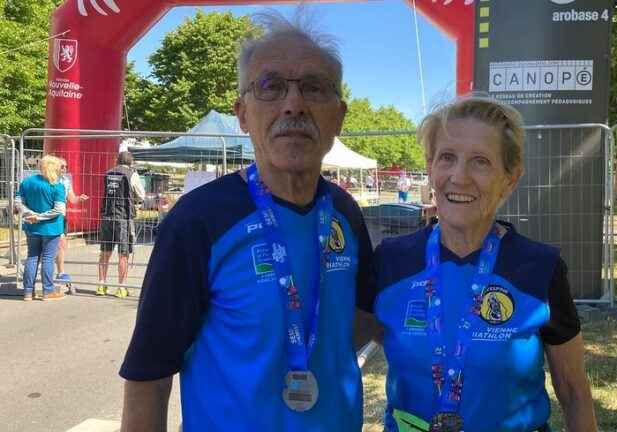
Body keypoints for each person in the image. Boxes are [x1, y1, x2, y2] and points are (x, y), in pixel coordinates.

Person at [119, 11, 376, 432]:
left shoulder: (345, 212)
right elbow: (150, 372)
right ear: (242, 114)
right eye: (271, 87)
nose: (293, 104)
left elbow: (362, 319)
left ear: (339, 116)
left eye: (313, 87)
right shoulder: (198, 220)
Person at [367, 95, 597, 432]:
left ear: (510, 178)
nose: (459, 176)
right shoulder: (389, 260)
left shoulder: (539, 267)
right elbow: (339, 349)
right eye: (447, 157)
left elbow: (574, 392)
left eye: (480, 162)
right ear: (431, 167)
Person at [15, 155, 67, 301]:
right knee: (48, 258)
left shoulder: (27, 182)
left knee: (32, 257)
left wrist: (29, 214)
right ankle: (48, 291)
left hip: (31, 226)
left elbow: (18, 202)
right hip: (51, 228)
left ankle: (27, 292)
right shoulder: (57, 186)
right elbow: (58, 210)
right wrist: (39, 217)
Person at [97, 151, 145, 298]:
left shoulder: (108, 173)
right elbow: (141, 195)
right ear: (131, 161)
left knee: (105, 253)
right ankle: (121, 287)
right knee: (123, 254)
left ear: (117, 160)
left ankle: (101, 285)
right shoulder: (132, 174)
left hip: (107, 216)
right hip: (124, 217)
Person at [55, 157, 89, 285]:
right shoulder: (48, 179)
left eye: (66, 166)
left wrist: (79, 198)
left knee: (62, 244)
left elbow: (72, 199)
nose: (64, 169)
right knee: (50, 245)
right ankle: (44, 269)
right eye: (62, 166)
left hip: (61, 217)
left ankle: (60, 272)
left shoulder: (66, 180)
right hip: (49, 216)